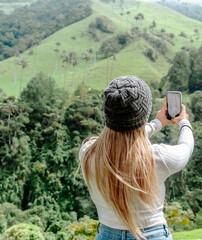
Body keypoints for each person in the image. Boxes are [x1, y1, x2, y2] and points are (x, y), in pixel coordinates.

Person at [78, 75, 194, 240]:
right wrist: (184, 122)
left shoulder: (88, 153)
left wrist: (157, 123)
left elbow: (123, 139)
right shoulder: (158, 158)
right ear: (144, 116)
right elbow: (186, 147)